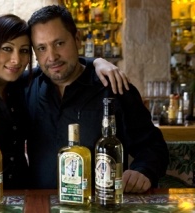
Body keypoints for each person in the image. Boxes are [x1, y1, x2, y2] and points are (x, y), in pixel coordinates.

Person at [0, 14, 129, 190]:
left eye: (23, 51)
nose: (16, 60)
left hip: (24, 196)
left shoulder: (23, 86)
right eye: (7, 49)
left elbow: (59, 67)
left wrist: (98, 62)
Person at [25, 5, 169, 193]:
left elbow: (153, 147)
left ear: (77, 40)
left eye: (59, 43)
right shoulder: (26, 87)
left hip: (99, 205)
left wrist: (143, 172)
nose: (52, 56)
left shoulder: (114, 87)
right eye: (42, 48)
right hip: (41, 205)